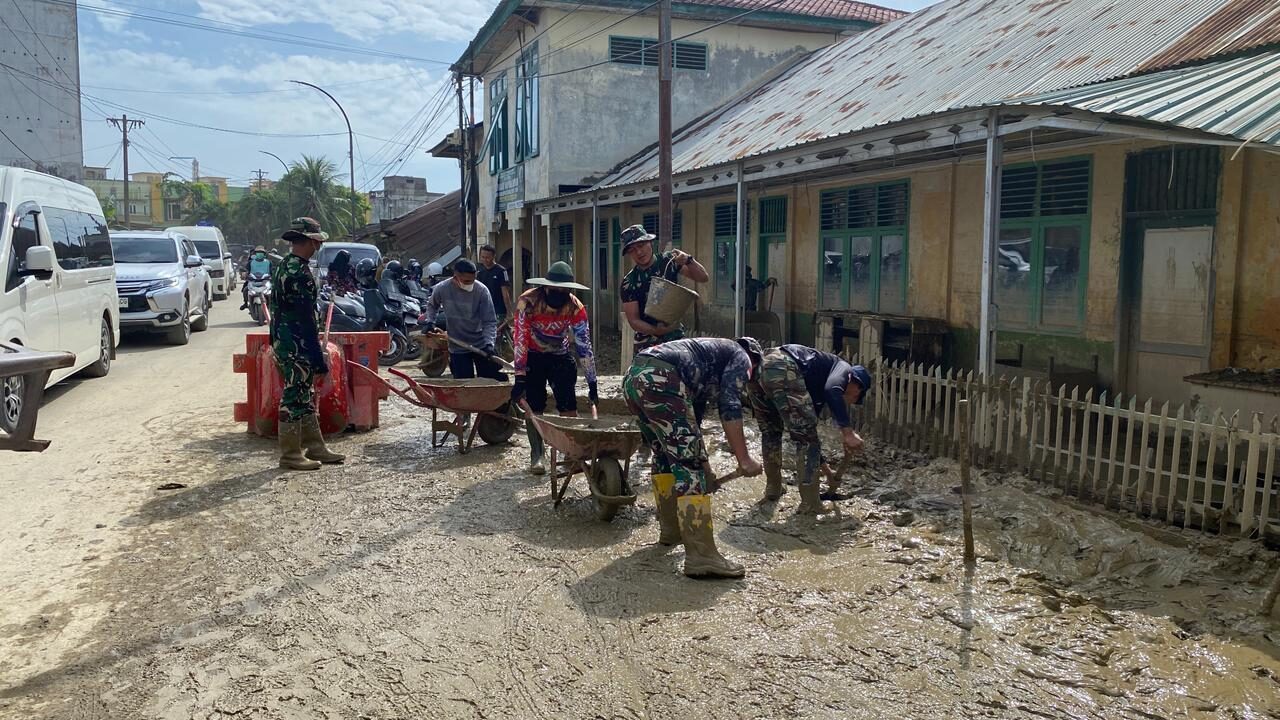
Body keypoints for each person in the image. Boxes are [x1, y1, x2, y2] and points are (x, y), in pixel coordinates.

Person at [623, 337, 764, 578]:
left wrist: (706, 469)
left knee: (666, 453)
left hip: (634, 377)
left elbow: (692, 431)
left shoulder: (705, 363)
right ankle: (702, 556)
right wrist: (744, 459)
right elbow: (730, 406)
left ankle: (672, 529)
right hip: (661, 378)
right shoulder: (741, 356)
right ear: (754, 359)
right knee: (690, 466)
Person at [749, 345, 871, 514]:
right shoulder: (844, 368)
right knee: (806, 440)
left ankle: (773, 488)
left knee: (771, 432)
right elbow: (833, 390)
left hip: (760, 370)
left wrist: (828, 472)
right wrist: (848, 432)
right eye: (855, 397)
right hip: (782, 365)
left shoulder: (812, 388)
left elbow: (808, 432)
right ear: (857, 385)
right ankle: (811, 504)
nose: (848, 401)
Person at [268, 217, 345, 471]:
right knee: (294, 396)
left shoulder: (284, 266)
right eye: (317, 242)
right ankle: (290, 454)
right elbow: (303, 317)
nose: (318, 246)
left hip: (285, 339)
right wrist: (315, 353)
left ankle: (315, 446)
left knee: (305, 394)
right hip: (295, 344)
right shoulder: (298, 273)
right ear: (311, 241)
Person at [509, 261, 597, 475]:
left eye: (564, 291)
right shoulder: (528, 302)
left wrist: (592, 381)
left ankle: (571, 453)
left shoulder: (575, 307)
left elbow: (584, 345)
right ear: (545, 287)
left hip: (560, 355)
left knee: (568, 403)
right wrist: (519, 375)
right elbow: (520, 338)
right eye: (554, 290)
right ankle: (537, 454)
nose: (558, 294)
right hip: (532, 355)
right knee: (535, 405)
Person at [618, 224, 709, 350]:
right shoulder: (629, 282)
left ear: (650, 242)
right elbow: (634, 320)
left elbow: (703, 278)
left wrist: (688, 260)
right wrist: (656, 330)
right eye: (632, 250)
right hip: (647, 343)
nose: (638, 252)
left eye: (641, 245)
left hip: (675, 338)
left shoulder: (669, 261)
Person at [422, 258, 501, 380]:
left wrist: (489, 343)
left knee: (490, 381)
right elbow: (432, 305)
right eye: (466, 281)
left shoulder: (481, 291)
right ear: (456, 276)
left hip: (481, 344)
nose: (470, 284)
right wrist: (430, 321)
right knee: (463, 383)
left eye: (473, 280)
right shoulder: (442, 289)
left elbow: (489, 321)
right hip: (457, 346)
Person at [476, 245, 513, 321]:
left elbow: (505, 293)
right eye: (483, 257)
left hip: (498, 311)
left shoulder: (501, 271)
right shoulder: (479, 271)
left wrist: (509, 312)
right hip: (484, 310)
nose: (485, 260)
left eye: (487, 257)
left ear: (493, 256)